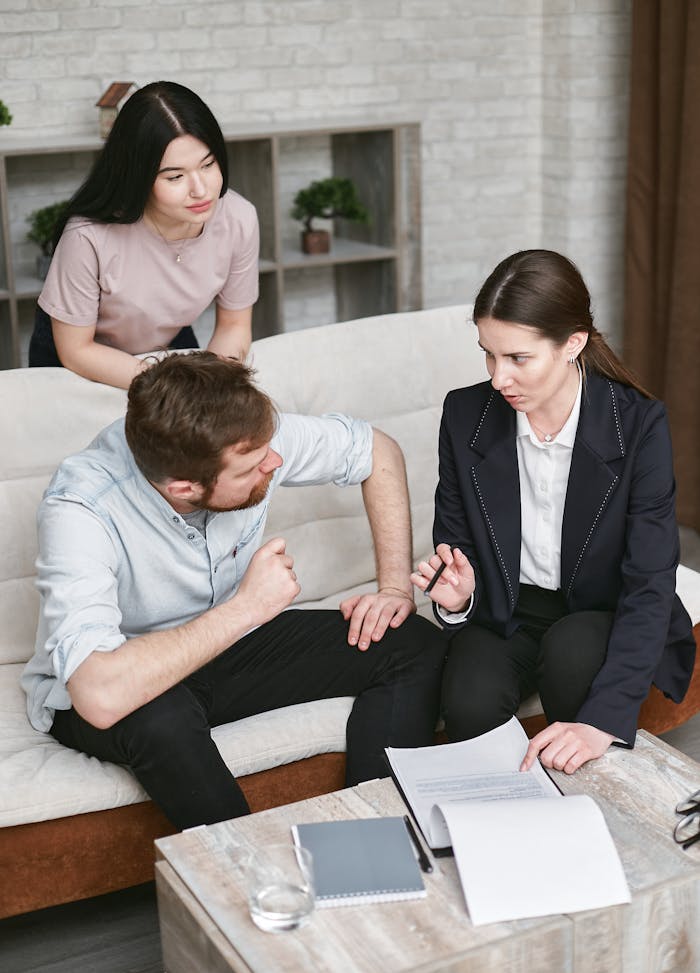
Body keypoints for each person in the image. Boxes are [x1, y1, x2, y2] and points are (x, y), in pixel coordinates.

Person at [21, 351, 445, 830]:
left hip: (223, 651)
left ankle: (376, 842)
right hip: (125, 676)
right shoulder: (81, 508)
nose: (276, 462)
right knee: (162, 718)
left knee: (413, 643)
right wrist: (247, 608)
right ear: (184, 488)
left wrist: (394, 588)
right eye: (251, 469)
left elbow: (376, 450)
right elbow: (98, 694)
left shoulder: (244, 436)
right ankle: (250, 881)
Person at [411, 249, 695, 775]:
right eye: (489, 355)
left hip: (600, 611)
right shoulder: (464, 414)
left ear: (573, 344)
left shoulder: (637, 425)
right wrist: (459, 598)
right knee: (468, 704)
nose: (499, 378)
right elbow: (456, 541)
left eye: (518, 358)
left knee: (573, 661)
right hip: (508, 611)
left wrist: (601, 721)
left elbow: (650, 581)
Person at [28, 81, 257, 388]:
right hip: (77, 352)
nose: (201, 190)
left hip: (162, 340)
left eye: (208, 164)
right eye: (175, 176)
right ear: (138, 176)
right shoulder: (87, 237)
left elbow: (234, 325)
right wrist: (171, 387)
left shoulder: (239, 218)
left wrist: (212, 385)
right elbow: (77, 351)